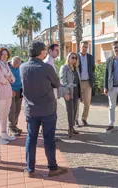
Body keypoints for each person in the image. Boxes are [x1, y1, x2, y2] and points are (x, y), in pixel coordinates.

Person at [20, 41, 67, 177]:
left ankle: (30, 169)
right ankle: (52, 168)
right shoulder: (46, 68)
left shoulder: (23, 67)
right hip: (47, 109)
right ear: (41, 52)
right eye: (45, 50)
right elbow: (56, 84)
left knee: (31, 139)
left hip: (31, 110)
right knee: (48, 139)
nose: (46, 52)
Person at [0, 48, 16, 145]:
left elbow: (13, 78)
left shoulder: (6, 65)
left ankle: (4, 133)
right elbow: (0, 78)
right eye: (3, 54)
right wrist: (7, 79)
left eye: (6, 55)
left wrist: (7, 78)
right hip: (1, 92)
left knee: (5, 114)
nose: (5, 56)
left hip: (8, 92)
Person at [60, 52, 81, 137]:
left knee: (75, 111)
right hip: (69, 92)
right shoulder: (64, 68)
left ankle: (72, 127)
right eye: (72, 57)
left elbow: (78, 81)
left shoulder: (76, 68)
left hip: (76, 92)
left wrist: (80, 93)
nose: (74, 59)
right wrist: (66, 92)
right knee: (70, 111)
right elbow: (62, 80)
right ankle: (69, 129)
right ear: (68, 58)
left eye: (75, 58)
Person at [75, 41, 95, 127]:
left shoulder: (91, 57)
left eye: (86, 47)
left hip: (87, 82)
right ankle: (76, 119)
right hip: (78, 83)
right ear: (80, 46)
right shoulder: (75, 56)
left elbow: (92, 69)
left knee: (87, 102)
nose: (85, 48)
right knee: (77, 102)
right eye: (83, 47)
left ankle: (84, 119)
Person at [44, 44, 61, 141]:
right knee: (50, 116)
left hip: (53, 93)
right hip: (49, 94)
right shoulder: (47, 63)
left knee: (52, 115)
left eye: (58, 50)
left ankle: (51, 135)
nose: (57, 52)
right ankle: (50, 137)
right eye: (56, 50)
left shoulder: (52, 62)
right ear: (50, 51)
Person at [8, 56, 23, 136]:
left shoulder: (20, 67)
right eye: (15, 63)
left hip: (19, 90)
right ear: (11, 61)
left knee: (18, 108)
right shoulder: (8, 68)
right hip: (11, 91)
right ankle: (10, 127)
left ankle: (14, 125)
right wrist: (10, 89)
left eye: (18, 63)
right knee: (12, 109)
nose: (16, 65)